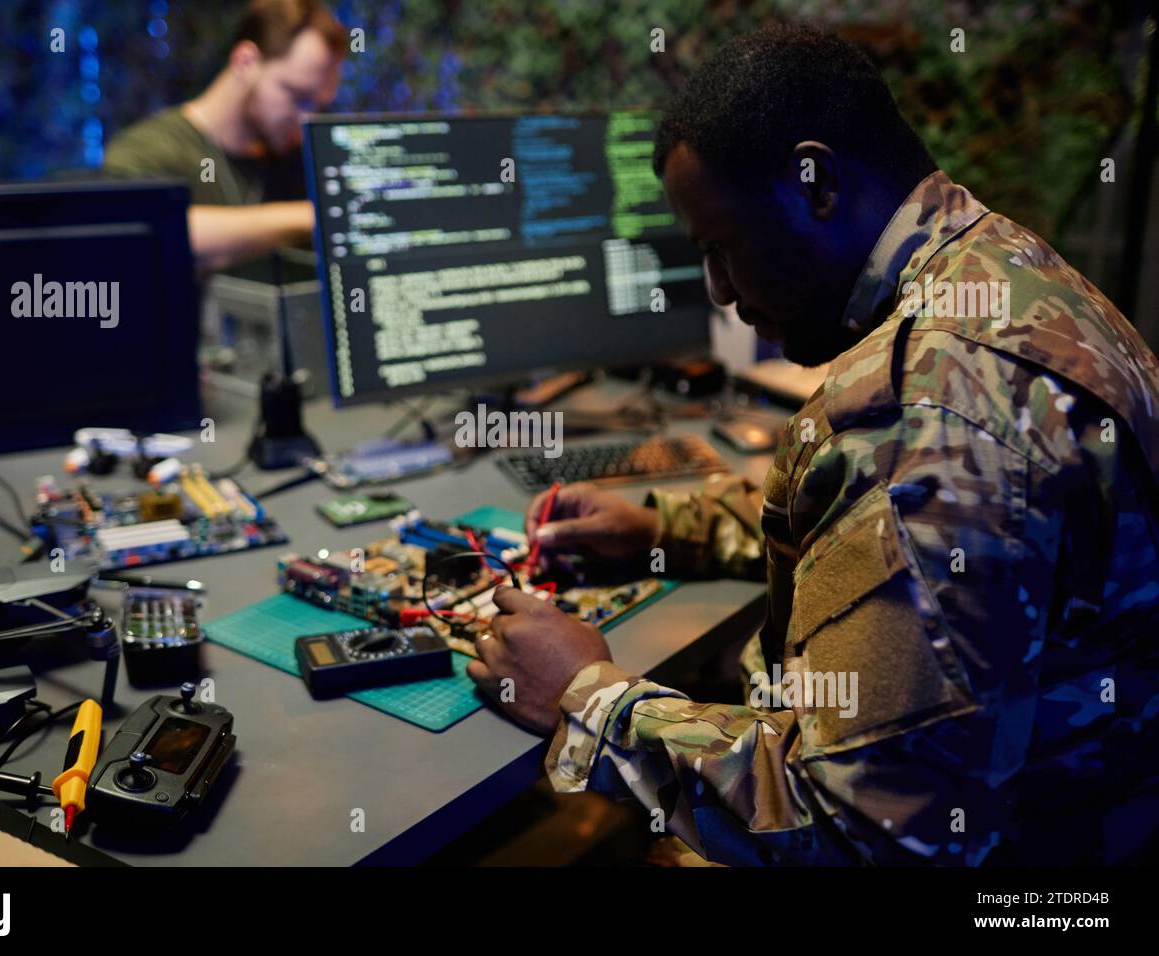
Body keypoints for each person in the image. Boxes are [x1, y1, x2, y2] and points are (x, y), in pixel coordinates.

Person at [469, 24, 1159, 866]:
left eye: (721, 248)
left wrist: (589, 697)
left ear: (816, 182)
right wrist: (667, 530)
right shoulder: (1004, 271)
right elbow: (886, 520)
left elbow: (856, 832)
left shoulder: (923, 416)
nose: (721, 293)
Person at [103, 0, 347, 271]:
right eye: (297, 96)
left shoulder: (297, 160)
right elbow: (149, 233)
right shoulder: (151, 149)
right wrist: (311, 216)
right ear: (245, 62)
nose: (307, 119)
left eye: (319, 104)